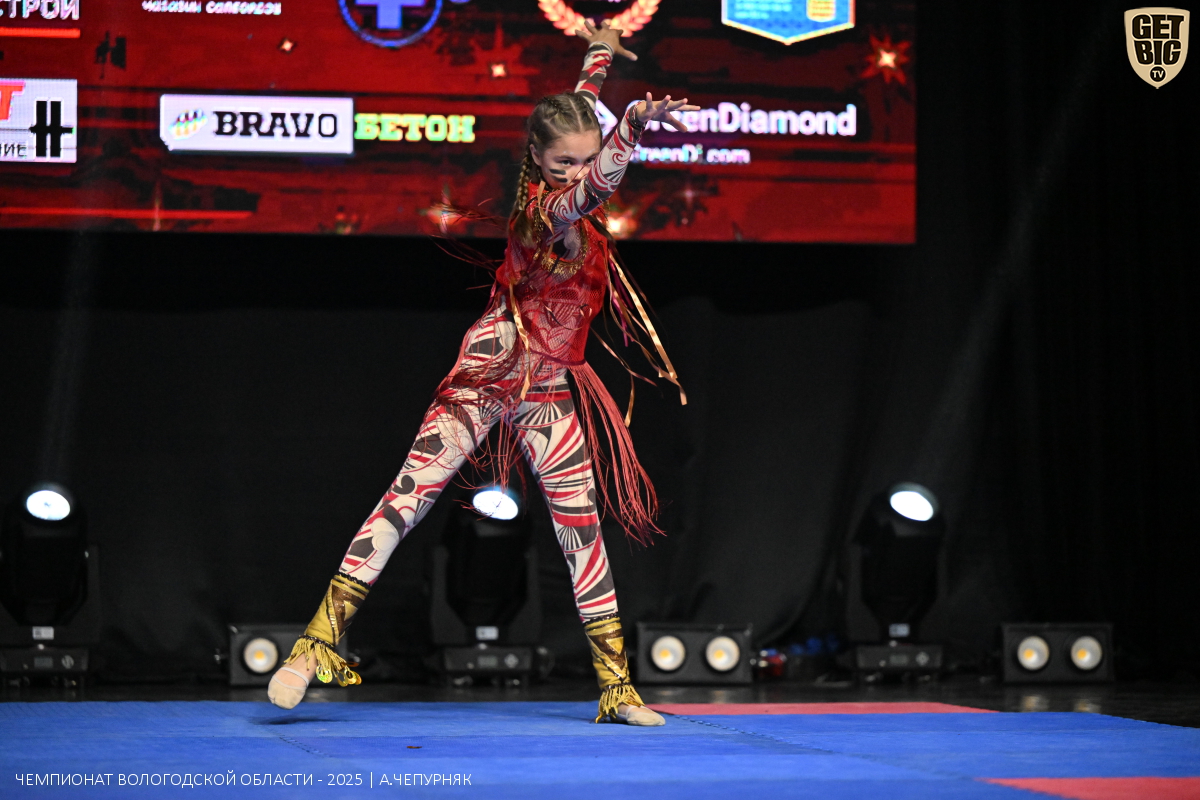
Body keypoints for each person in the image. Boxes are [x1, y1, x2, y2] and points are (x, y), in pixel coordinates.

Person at [268, 20, 694, 726]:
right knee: (408, 500)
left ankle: (617, 689)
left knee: (582, 531)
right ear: (537, 160)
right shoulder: (545, 214)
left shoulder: (574, 163)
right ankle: (311, 648)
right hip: (490, 373)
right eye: (562, 163)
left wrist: (597, 53)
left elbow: (581, 108)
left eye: (584, 158)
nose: (576, 172)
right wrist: (632, 130)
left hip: (549, 387)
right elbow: (593, 189)